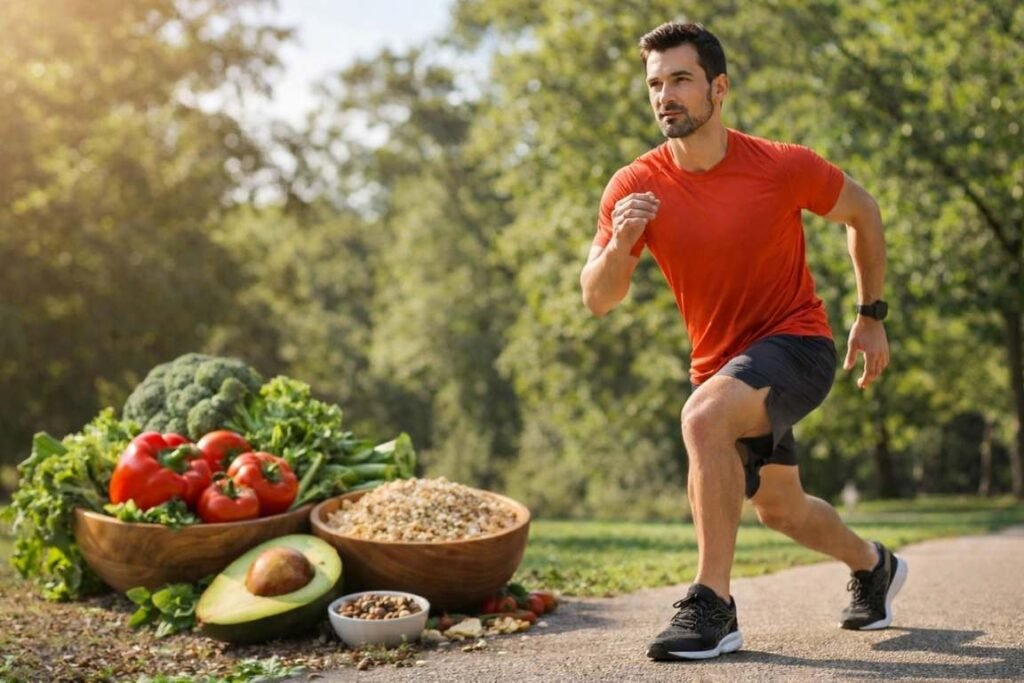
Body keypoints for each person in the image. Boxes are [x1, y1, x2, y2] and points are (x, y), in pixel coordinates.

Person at [579, 21, 907, 661]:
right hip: (724, 368)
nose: (664, 95)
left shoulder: (781, 166)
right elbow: (597, 297)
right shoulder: (633, 187)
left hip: (799, 344)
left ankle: (713, 605)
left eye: (680, 79)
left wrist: (870, 313)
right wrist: (620, 245)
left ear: (718, 88)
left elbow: (863, 212)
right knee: (781, 509)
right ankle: (873, 566)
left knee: (703, 419)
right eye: (654, 83)